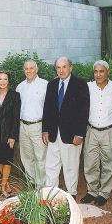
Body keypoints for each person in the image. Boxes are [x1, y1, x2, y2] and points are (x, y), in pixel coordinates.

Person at [42, 57, 90, 200]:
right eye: (58, 67)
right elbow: (47, 109)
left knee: (70, 165)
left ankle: (71, 194)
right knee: (51, 165)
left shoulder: (80, 85)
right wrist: (45, 129)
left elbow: (84, 111)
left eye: (64, 67)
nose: (61, 70)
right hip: (53, 133)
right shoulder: (51, 84)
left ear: (71, 67)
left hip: (71, 134)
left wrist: (80, 133)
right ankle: (51, 193)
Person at [81, 60, 112, 206]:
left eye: (101, 71)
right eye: (96, 71)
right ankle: (92, 191)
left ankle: (104, 193)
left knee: (108, 163)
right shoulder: (88, 87)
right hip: (91, 130)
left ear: (108, 72)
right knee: (90, 163)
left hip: (109, 131)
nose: (98, 74)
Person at [16, 59, 48, 186]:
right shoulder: (20, 87)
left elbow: (49, 109)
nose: (28, 71)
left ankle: (42, 186)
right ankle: (32, 183)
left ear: (37, 69)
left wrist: (46, 129)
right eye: (26, 69)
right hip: (23, 126)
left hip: (38, 126)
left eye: (31, 68)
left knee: (41, 158)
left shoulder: (45, 85)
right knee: (26, 158)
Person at [0, 70, 21, 196]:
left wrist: (13, 136)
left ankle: (2, 188)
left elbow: (16, 117)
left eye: (5, 79)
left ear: (9, 81)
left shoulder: (15, 95)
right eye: (0, 79)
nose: (3, 82)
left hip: (8, 134)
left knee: (7, 160)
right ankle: (7, 184)